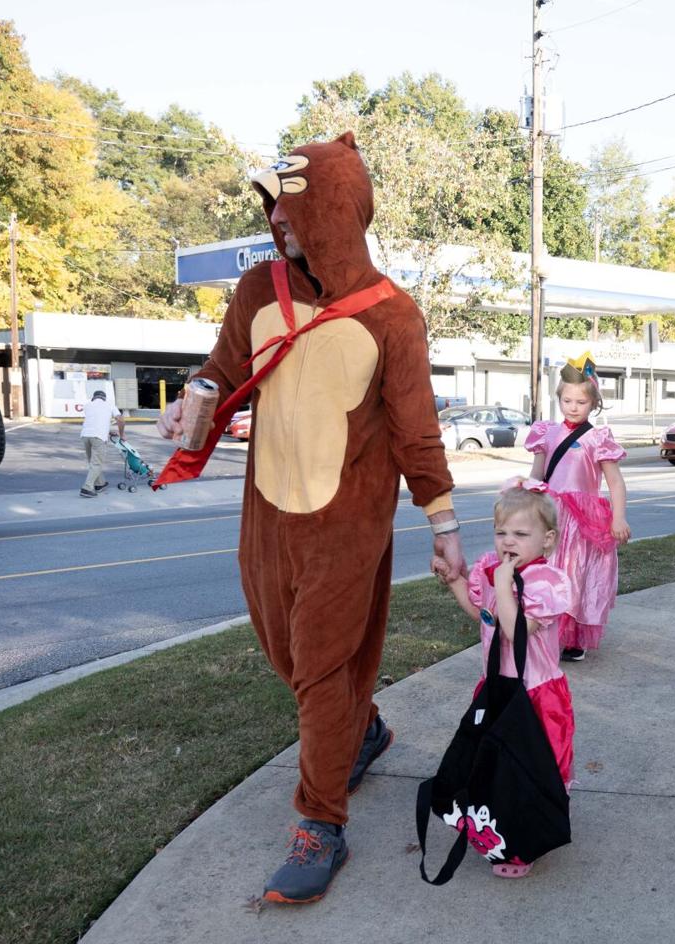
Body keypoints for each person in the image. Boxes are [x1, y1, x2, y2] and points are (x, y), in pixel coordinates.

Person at [154, 133, 459, 904]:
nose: (278, 221)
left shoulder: (395, 317)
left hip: (346, 521)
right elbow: (224, 366)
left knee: (322, 666)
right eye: (273, 207)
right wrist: (195, 391)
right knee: (286, 651)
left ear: (332, 209)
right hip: (267, 514)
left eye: (290, 205)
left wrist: (443, 523)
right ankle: (364, 731)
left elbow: (416, 432)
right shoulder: (259, 289)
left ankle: (320, 821)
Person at [434, 479, 576, 878]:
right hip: (498, 689)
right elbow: (482, 613)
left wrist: (503, 587)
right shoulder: (494, 573)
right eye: (501, 532)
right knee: (498, 767)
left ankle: (528, 839)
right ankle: (503, 824)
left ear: (547, 540)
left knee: (533, 766)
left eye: (520, 533)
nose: (507, 541)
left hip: (535, 694)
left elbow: (514, 633)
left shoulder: (547, 582)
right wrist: (455, 581)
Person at [527, 355, 631, 662]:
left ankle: (571, 638)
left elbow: (615, 483)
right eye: (567, 400)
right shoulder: (545, 433)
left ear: (594, 404)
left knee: (576, 576)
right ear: (558, 399)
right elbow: (537, 474)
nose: (573, 407)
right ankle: (544, 630)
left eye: (581, 402)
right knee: (546, 573)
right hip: (550, 516)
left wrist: (619, 517)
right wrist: (524, 498)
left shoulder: (597, 438)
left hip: (584, 521)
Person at [79, 389, 124, 497]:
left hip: (85, 435)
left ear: (94, 398)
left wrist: (107, 431)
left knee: (93, 462)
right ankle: (87, 488)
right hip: (98, 437)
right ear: (104, 398)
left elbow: (95, 421)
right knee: (97, 463)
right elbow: (120, 420)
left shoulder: (88, 405)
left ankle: (100, 484)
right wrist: (122, 434)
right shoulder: (109, 405)